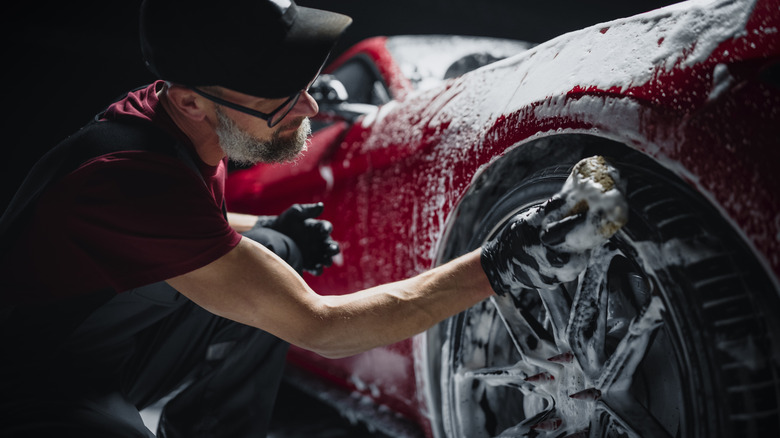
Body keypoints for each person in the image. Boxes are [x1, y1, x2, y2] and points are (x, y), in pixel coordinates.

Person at [0, 0, 626, 436]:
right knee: (279, 291)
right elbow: (321, 327)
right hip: (37, 386)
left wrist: (261, 230)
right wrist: (508, 258)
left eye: (304, 81)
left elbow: (174, 223)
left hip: (102, 348)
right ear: (190, 100)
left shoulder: (172, 120)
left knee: (276, 249)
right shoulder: (127, 177)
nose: (307, 105)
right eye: (281, 99)